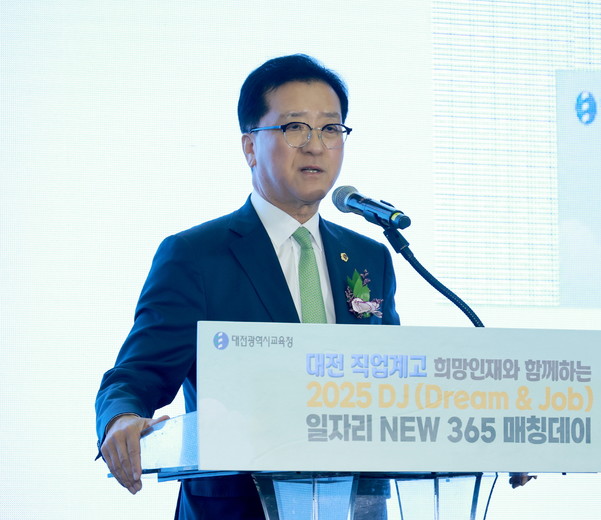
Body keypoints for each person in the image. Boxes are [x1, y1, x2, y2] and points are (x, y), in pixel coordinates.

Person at [95, 54, 399, 519]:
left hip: (356, 505)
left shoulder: (369, 256)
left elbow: (393, 385)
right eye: (295, 127)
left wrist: (494, 437)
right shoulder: (196, 255)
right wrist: (120, 418)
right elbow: (136, 375)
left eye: (330, 128)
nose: (316, 146)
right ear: (250, 146)